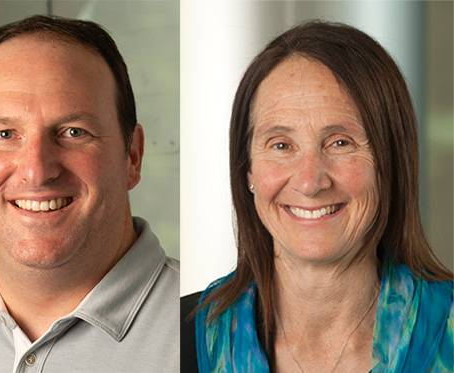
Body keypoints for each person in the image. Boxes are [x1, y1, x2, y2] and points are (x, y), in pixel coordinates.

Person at [0, 15, 179, 372]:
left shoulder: (219, 337)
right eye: (4, 134)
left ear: (132, 155)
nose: (37, 171)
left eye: (73, 132)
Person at [181, 20, 453, 372]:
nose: (310, 182)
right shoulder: (179, 339)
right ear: (247, 171)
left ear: (391, 163)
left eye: (340, 142)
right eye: (281, 145)